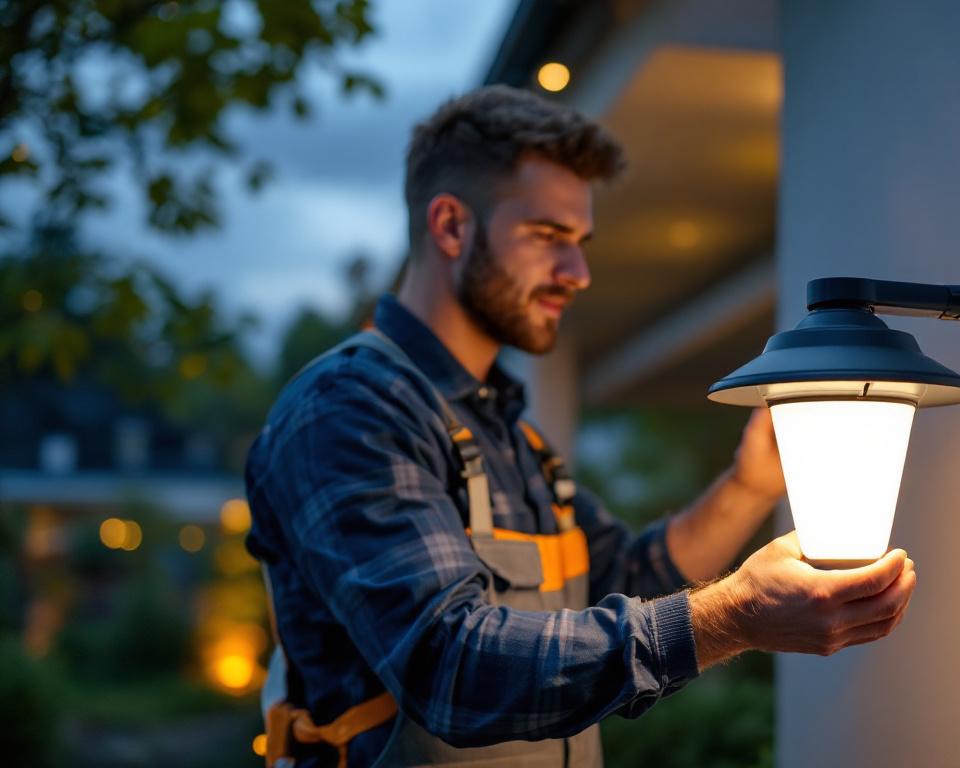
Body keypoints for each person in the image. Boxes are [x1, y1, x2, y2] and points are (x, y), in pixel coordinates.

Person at [245, 85, 917, 768]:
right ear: (451, 226)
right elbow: (448, 670)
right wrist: (732, 618)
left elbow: (629, 577)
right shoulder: (349, 409)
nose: (579, 273)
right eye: (548, 237)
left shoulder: (512, 437)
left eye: (581, 242)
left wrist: (747, 487)